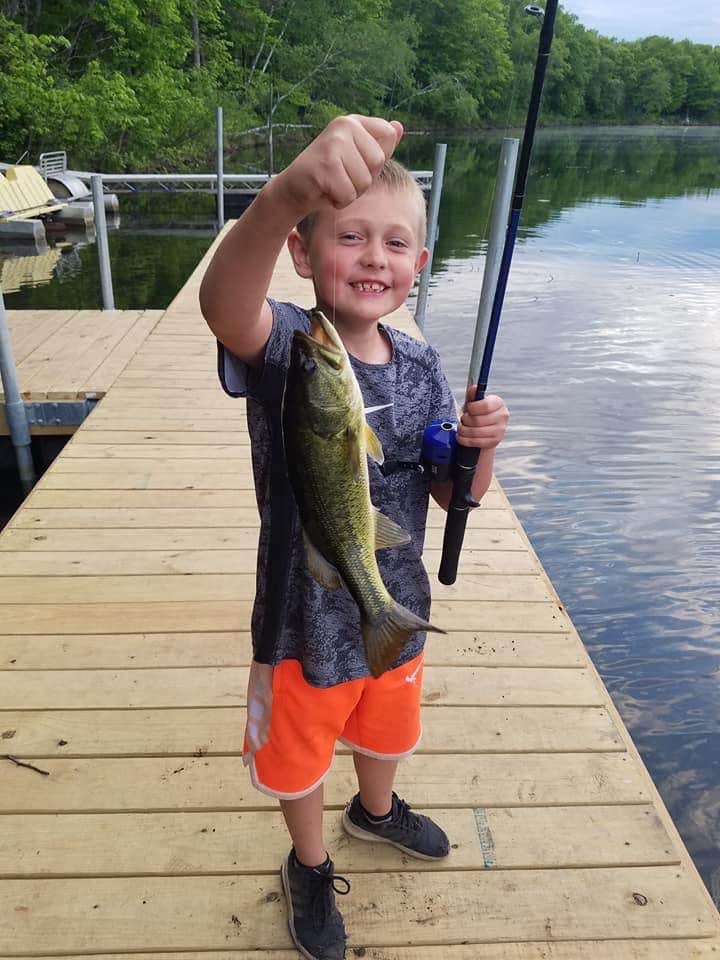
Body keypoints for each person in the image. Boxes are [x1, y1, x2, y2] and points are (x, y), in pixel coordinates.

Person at [200, 114, 509, 960]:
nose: (375, 256)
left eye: (396, 242)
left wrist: (480, 452)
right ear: (304, 254)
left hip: (392, 604)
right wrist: (283, 199)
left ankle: (375, 811)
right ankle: (307, 861)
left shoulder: (420, 366)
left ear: (419, 263)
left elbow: (453, 495)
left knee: (386, 729)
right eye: (350, 236)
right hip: (302, 621)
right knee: (298, 756)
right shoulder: (293, 350)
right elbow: (223, 304)